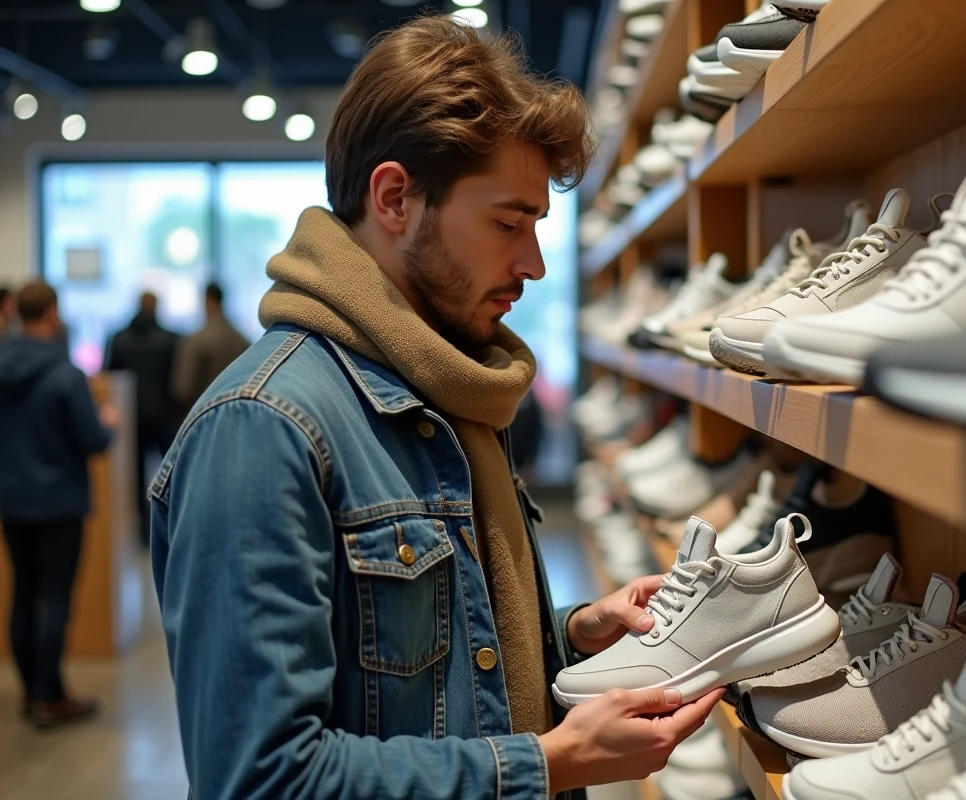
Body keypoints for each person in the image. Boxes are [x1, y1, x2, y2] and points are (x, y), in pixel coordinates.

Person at [150, 16, 722, 800]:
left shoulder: (448, 385)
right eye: (508, 222)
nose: (534, 264)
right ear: (395, 198)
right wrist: (550, 764)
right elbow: (262, 777)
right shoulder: (261, 429)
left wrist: (568, 637)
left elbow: (429, 679)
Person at [0, 281, 117, 727]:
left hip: (11, 499)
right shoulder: (65, 375)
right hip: (58, 502)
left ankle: (31, 693)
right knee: (52, 595)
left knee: (21, 592)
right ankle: (51, 696)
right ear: (51, 313)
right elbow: (94, 440)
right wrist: (107, 420)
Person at [105, 292, 180, 544]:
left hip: (131, 419)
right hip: (164, 417)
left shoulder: (118, 339)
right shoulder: (172, 339)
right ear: (156, 307)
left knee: (133, 480)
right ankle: (169, 527)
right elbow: (178, 382)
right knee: (171, 475)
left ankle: (140, 533)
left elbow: (109, 378)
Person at [170, 282, 250, 411]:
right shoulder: (242, 340)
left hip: (202, 415)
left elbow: (183, 389)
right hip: (236, 412)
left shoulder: (195, 340)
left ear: (208, 300)